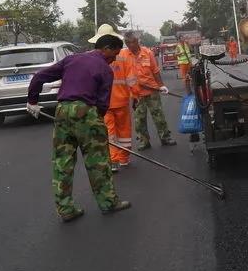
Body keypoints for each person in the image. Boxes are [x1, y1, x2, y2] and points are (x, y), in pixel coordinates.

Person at [25, 34, 131, 222]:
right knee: (97, 161)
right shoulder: (105, 70)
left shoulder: (71, 60)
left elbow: (39, 77)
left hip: (62, 111)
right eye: (113, 55)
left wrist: (32, 101)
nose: (113, 59)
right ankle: (108, 203)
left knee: (62, 162)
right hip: (87, 112)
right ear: (105, 48)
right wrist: (96, 126)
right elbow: (102, 105)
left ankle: (65, 209)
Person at [89, 24, 136, 172]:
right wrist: (135, 95)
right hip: (121, 100)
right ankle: (123, 159)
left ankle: (114, 160)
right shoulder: (123, 55)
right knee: (124, 132)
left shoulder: (93, 57)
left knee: (109, 133)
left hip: (104, 102)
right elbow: (131, 79)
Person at [120, 31, 176, 150]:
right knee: (139, 120)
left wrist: (161, 85)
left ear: (137, 41)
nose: (130, 45)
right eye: (127, 43)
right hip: (136, 94)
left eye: (132, 43)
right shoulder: (123, 55)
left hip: (152, 91)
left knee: (158, 116)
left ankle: (165, 137)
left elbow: (155, 71)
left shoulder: (147, 52)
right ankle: (144, 141)